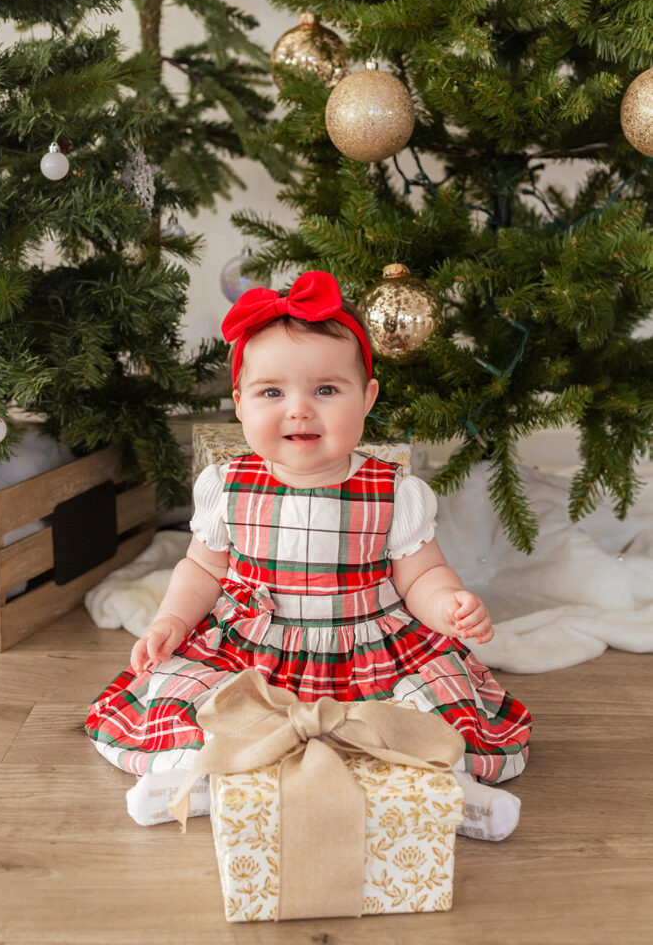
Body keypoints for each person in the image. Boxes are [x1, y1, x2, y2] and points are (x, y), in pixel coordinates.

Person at [86, 270, 531, 840]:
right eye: (272, 392)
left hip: (368, 650)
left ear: (366, 398)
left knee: (422, 713)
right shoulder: (227, 485)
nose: (298, 410)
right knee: (198, 699)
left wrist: (448, 604)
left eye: (326, 390)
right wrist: (171, 621)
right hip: (254, 649)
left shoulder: (393, 492)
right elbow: (201, 567)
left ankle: (451, 793)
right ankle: (194, 778)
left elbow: (421, 574)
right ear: (241, 404)